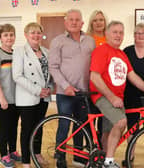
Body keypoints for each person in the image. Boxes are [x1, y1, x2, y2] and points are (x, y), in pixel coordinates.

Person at [90, 21, 144, 168]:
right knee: (121, 122)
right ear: (107, 34)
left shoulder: (122, 54)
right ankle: (108, 162)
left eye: (121, 32)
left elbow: (133, 77)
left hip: (116, 99)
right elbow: (94, 77)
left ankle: (103, 159)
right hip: (103, 96)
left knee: (108, 131)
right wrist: (111, 97)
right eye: (115, 32)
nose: (118, 35)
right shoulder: (102, 51)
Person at [49, 9, 95, 168]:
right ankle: (60, 155)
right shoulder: (57, 41)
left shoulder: (90, 41)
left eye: (77, 20)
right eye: (71, 19)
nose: (74, 22)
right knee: (64, 125)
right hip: (65, 92)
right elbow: (53, 67)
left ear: (82, 23)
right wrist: (66, 86)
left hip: (84, 92)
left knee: (81, 125)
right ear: (66, 22)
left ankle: (78, 156)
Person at [12, 22, 53, 168]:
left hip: (44, 97)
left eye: (38, 32)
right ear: (26, 35)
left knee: (39, 127)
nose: (36, 35)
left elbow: (50, 74)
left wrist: (49, 88)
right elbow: (17, 76)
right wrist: (37, 90)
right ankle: (26, 161)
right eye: (32, 32)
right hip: (28, 97)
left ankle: (37, 153)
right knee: (27, 129)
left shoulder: (47, 52)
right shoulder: (19, 51)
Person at [0, 24, 21, 168]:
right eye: (6, 35)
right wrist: (2, 98)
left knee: (13, 126)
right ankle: (3, 156)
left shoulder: (16, 54)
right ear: (0, 37)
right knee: (5, 127)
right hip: (1, 99)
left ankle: (13, 151)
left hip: (16, 99)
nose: (9, 37)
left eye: (11, 34)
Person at [122, 23, 144, 166]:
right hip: (130, 95)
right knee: (132, 127)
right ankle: (130, 155)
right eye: (137, 33)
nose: (139, 36)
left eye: (142, 34)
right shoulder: (127, 51)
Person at [87, 10, 107, 147]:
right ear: (91, 23)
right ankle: (91, 148)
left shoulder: (110, 38)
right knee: (90, 120)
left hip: (107, 87)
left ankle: (101, 149)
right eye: (95, 20)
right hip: (91, 85)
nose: (98, 22)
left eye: (101, 19)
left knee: (103, 121)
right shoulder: (87, 39)